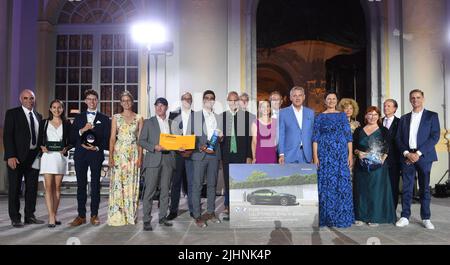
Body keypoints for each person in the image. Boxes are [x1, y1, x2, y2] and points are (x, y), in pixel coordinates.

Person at [395, 89, 440, 230]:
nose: (415, 100)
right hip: (407, 157)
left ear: (423, 98)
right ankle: (404, 216)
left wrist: (418, 153)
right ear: (410, 100)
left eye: (418, 97)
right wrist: (407, 153)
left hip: (424, 156)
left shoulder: (432, 116)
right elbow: (398, 138)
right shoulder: (404, 118)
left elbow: (435, 136)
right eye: (413, 98)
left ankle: (426, 217)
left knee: (424, 189)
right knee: (407, 188)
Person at [3, 89, 45, 228]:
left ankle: (29, 216)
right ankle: (15, 218)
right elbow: (8, 136)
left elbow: (39, 138)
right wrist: (10, 156)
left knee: (32, 188)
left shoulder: (39, 116)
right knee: (15, 189)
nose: (29, 101)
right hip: (17, 158)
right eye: (26, 98)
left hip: (34, 157)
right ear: (21, 100)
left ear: (35, 99)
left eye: (31, 98)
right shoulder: (12, 113)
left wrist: (41, 149)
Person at [69, 89, 111, 226]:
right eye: (89, 99)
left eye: (94, 99)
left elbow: (107, 138)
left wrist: (98, 147)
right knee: (81, 185)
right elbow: (72, 137)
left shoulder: (104, 119)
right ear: (85, 101)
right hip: (81, 155)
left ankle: (94, 215)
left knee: (95, 185)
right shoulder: (79, 118)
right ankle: (81, 216)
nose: (92, 101)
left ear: (97, 101)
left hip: (96, 155)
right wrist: (83, 130)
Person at [312, 91, 354, 228]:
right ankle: (327, 217)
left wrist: (349, 155)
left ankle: (341, 217)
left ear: (337, 101)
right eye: (328, 99)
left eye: (333, 99)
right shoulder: (319, 117)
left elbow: (348, 136)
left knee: (341, 183)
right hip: (324, 154)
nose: (331, 101)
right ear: (325, 101)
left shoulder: (342, 116)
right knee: (326, 184)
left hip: (341, 154)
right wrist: (315, 156)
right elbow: (315, 138)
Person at [353, 106, 396, 227]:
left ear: (378, 116)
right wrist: (358, 153)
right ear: (366, 116)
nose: (372, 117)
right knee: (361, 190)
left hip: (378, 166)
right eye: (369, 114)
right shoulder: (358, 130)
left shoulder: (384, 130)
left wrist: (383, 158)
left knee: (376, 191)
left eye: (375, 114)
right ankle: (360, 216)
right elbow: (354, 147)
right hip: (361, 165)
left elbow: (388, 146)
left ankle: (374, 216)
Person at [138, 97, 176, 231]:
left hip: (168, 160)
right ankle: (147, 220)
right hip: (153, 159)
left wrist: (180, 146)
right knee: (149, 192)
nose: (159, 108)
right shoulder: (149, 122)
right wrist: (154, 146)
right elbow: (141, 141)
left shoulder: (172, 123)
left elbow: (176, 141)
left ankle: (162, 217)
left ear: (166, 108)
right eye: (157, 106)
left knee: (165, 191)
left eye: (162, 106)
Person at [107, 91, 143, 226]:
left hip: (133, 154)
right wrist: (110, 157)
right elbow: (112, 138)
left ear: (132, 102)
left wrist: (140, 158)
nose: (126, 102)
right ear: (121, 103)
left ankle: (130, 215)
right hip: (118, 153)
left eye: (128, 100)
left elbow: (140, 140)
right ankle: (117, 216)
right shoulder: (116, 117)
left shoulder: (139, 118)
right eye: (123, 100)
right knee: (118, 185)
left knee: (131, 185)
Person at [190, 90, 223, 228]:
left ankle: (210, 212)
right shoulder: (195, 116)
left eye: (212, 98)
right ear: (203, 100)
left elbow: (220, 136)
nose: (209, 100)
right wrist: (200, 147)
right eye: (207, 98)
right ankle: (197, 216)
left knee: (212, 185)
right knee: (197, 186)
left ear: (214, 101)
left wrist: (221, 138)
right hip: (200, 155)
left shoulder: (218, 117)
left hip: (214, 155)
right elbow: (190, 135)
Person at [38, 100, 72, 228]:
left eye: (59, 108)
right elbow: (39, 140)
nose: (56, 110)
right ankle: (51, 216)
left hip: (60, 157)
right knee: (48, 187)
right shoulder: (44, 123)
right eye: (54, 107)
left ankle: (54, 214)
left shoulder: (67, 124)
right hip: (47, 157)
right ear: (50, 109)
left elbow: (72, 141)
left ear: (62, 109)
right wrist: (41, 147)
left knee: (57, 188)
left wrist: (66, 148)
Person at [221, 91, 253, 219]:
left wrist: (249, 155)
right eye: (231, 100)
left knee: (240, 182)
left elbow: (249, 139)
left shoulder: (246, 117)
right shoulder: (222, 116)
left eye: (235, 100)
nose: (233, 102)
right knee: (228, 182)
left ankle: (241, 209)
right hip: (227, 155)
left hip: (241, 155)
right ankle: (228, 207)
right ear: (227, 101)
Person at [167, 92, 195, 220]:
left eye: (189, 99)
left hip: (191, 154)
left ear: (191, 101)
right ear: (181, 100)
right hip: (177, 155)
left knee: (191, 183)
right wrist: (178, 148)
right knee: (176, 183)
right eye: (184, 99)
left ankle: (193, 210)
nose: (186, 101)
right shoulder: (173, 115)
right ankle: (173, 211)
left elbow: (198, 134)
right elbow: (171, 134)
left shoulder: (197, 115)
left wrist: (191, 149)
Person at [278, 86, 315, 164]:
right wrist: (281, 154)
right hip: (289, 155)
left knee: (307, 176)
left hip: (307, 155)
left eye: (300, 95)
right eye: (294, 96)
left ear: (304, 97)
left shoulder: (310, 113)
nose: (297, 98)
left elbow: (312, 134)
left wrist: (314, 155)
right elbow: (281, 134)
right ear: (291, 98)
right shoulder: (283, 113)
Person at [382, 99, 401, 210]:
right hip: (379, 160)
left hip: (395, 160)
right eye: (385, 106)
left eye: (389, 106)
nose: (386, 108)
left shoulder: (400, 122)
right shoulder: (378, 121)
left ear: (394, 108)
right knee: (381, 186)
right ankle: (381, 209)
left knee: (393, 186)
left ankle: (392, 211)